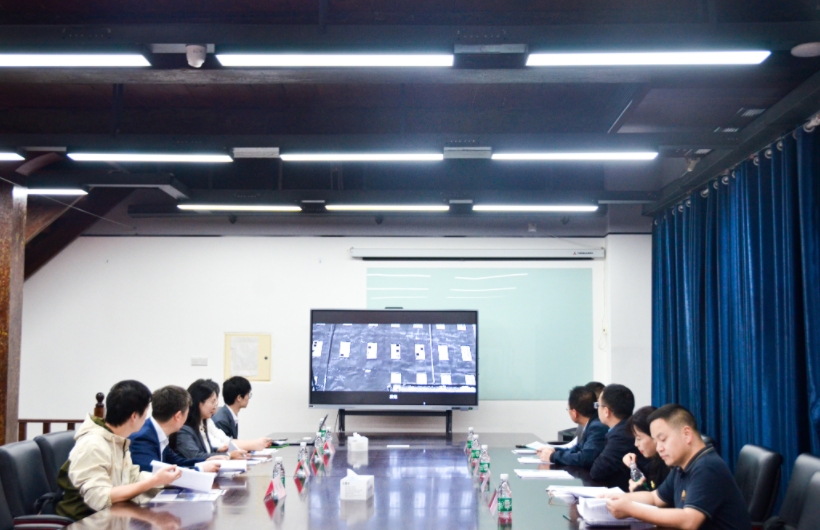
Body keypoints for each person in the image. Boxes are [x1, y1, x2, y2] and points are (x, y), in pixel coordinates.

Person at [605, 404, 751, 530]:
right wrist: (615, 498)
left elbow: (690, 520)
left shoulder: (707, 467)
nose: (659, 448)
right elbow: (655, 498)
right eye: (656, 441)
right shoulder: (681, 466)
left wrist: (631, 509)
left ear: (687, 434)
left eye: (663, 439)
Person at [56, 380, 182, 521]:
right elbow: (100, 498)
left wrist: (165, 480)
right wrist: (153, 481)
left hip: (112, 519)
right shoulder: (93, 445)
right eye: (146, 413)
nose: (146, 419)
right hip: (85, 522)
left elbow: (132, 478)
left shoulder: (118, 440)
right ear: (134, 416)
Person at [129, 385, 225, 472]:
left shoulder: (157, 432)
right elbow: (154, 473)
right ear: (178, 416)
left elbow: (176, 461)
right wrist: (199, 469)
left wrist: (206, 460)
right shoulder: (142, 438)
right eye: (187, 413)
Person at [590, 384, 647, 490]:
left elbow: (597, 471)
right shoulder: (622, 429)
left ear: (606, 411)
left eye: (598, 405)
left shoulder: (621, 435)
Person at [173, 379, 246, 460]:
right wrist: (228, 455)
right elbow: (196, 456)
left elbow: (205, 450)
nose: (215, 407)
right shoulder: (184, 430)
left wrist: (217, 450)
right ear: (199, 403)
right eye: (212, 402)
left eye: (216, 402)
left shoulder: (203, 422)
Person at [537, 386, 607, 468]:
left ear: (574, 413)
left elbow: (585, 458)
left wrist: (552, 456)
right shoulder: (592, 424)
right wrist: (554, 450)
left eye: (568, 409)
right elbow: (577, 450)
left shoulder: (597, 427)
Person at [210, 377, 273, 451]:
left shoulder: (229, 414)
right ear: (239, 397)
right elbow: (228, 447)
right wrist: (255, 444)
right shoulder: (221, 421)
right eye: (248, 394)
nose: (248, 398)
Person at [622, 406, 670, 492]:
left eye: (639, 438)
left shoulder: (670, 466)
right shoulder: (655, 462)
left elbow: (660, 498)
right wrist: (633, 466)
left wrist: (637, 490)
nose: (636, 444)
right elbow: (646, 478)